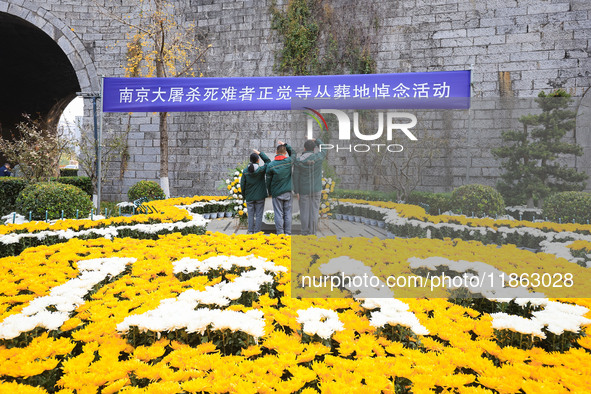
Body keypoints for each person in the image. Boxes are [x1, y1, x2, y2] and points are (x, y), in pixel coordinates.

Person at [293, 138, 326, 235]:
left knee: (304, 212)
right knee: (314, 211)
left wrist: (297, 191)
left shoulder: (298, 161)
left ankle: (304, 232)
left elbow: (295, 177)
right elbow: (324, 148)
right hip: (316, 189)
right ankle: (313, 232)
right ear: (314, 149)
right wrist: (317, 140)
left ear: (304, 149)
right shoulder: (319, 157)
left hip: (303, 190)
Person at [266, 140, 294, 235]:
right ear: (285, 153)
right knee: (288, 213)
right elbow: (294, 153)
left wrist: (270, 192)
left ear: (276, 152)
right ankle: (288, 233)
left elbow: (268, 181)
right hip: (288, 192)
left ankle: (280, 234)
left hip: (276, 193)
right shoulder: (289, 161)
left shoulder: (271, 165)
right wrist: (285, 145)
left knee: (278, 214)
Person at [240, 149, 270, 234]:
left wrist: (244, 195)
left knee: (250, 215)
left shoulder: (245, 171)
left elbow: (242, 184)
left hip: (249, 197)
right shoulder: (261, 170)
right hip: (260, 196)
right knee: (259, 215)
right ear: (258, 160)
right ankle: (257, 232)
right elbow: (268, 161)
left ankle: (250, 231)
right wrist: (260, 153)